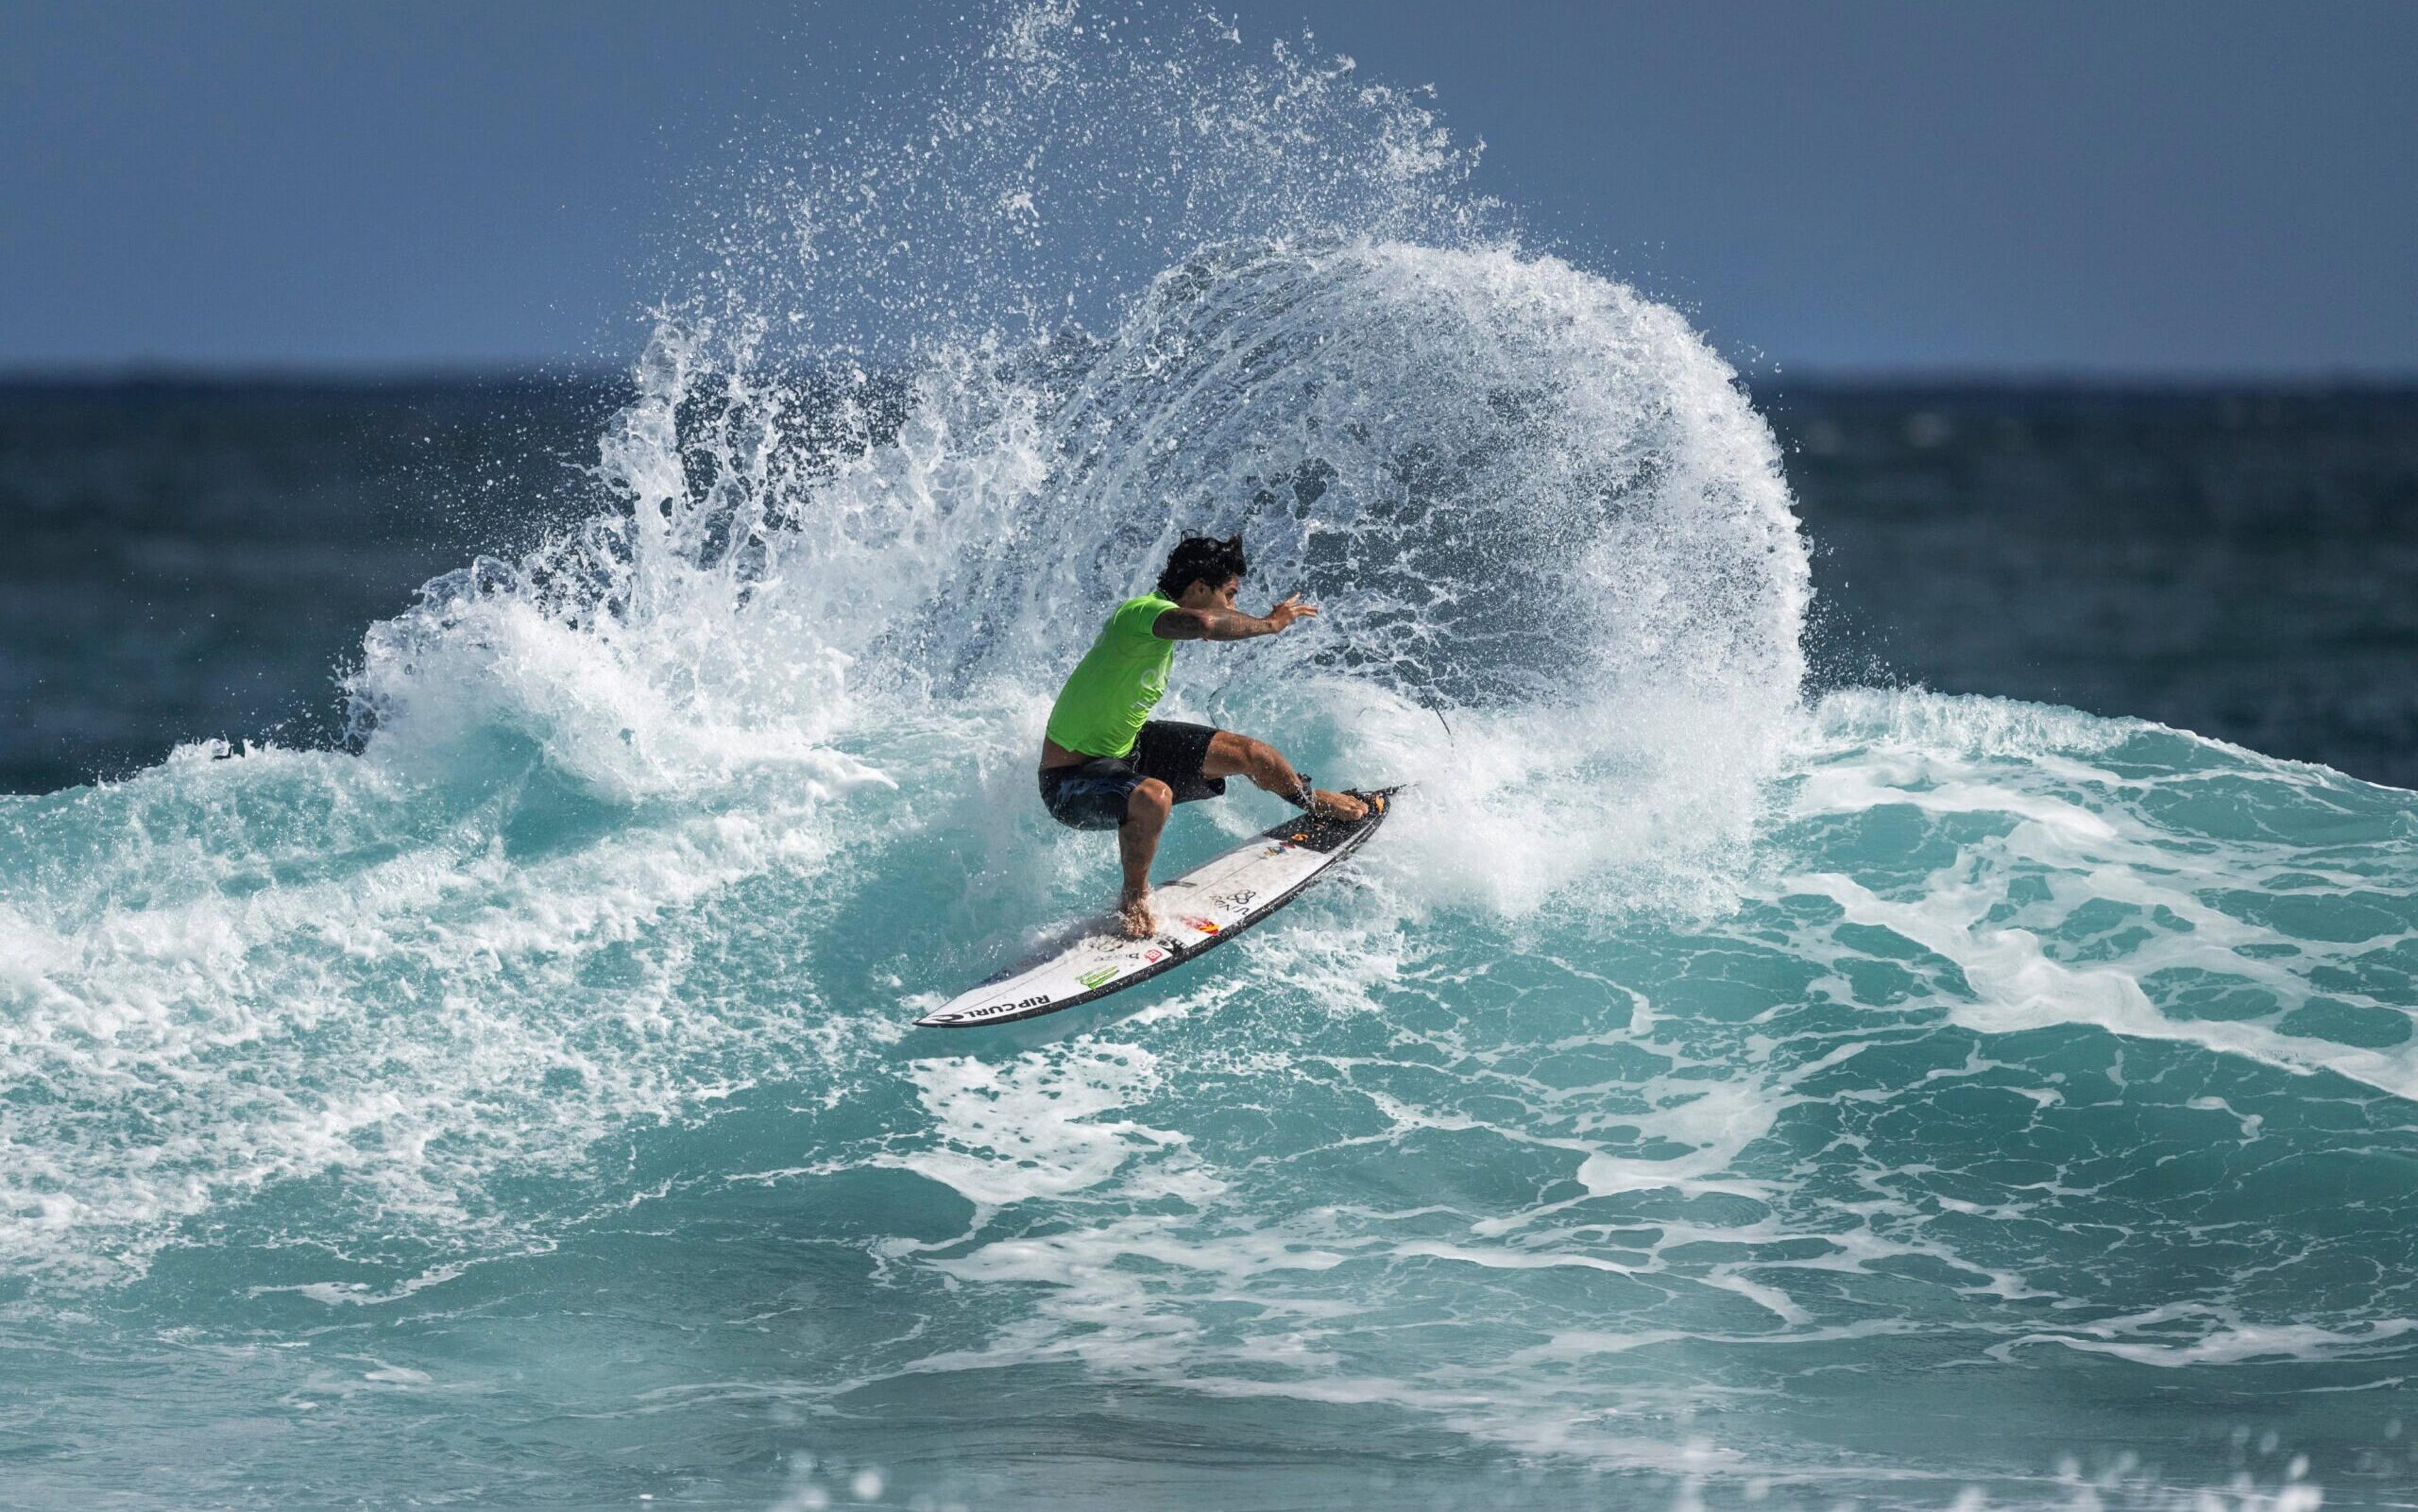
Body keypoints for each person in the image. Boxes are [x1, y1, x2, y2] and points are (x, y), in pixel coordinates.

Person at [1039, 532, 1370, 938]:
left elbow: (1208, 621)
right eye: (1229, 594)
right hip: (1070, 780)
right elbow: (1206, 623)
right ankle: (1134, 897)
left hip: (1127, 749)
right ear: (1198, 588)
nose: (1232, 605)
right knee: (1153, 797)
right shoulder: (1141, 613)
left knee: (1252, 754)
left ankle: (1309, 801)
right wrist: (1270, 624)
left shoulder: (1158, 627)